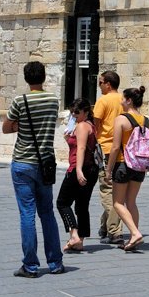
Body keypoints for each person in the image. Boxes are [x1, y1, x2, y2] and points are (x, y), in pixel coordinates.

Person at [1, 61, 64, 278]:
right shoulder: (53, 100)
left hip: (22, 162)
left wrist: (22, 125)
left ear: (26, 79)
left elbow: (6, 127)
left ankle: (30, 265)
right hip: (45, 162)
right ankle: (55, 262)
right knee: (47, 212)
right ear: (44, 77)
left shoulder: (20, 100)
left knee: (27, 213)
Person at [106, 86, 149, 252]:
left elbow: (115, 148)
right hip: (140, 166)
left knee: (117, 203)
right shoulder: (147, 121)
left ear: (129, 100)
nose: (121, 101)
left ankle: (135, 233)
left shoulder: (121, 119)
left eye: (123, 99)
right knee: (131, 202)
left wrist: (108, 169)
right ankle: (133, 238)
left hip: (123, 164)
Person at [56, 98, 99, 253]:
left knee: (62, 202)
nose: (74, 115)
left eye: (77, 112)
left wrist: (78, 170)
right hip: (91, 169)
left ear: (86, 112)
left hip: (78, 168)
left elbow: (80, 149)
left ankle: (73, 234)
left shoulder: (81, 126)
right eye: (72, 111)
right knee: (82, 205)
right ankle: (80, 241)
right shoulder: (90, 126)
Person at [92, 70, 124, 244]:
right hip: (122, 150)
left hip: (105, 149)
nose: (99, 85)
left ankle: (114, 231)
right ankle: (105, 226)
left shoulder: (102, 101)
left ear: (108, 84)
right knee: (116, 189)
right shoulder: (124, 100)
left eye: (100, 82)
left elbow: (96, 125)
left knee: (107, 190)